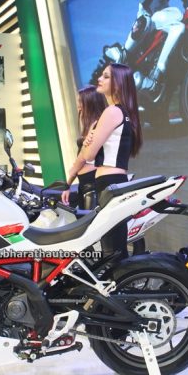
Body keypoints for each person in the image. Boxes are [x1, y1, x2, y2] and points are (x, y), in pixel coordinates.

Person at [64, 63, 143, 259]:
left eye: (106, 76)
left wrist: (89, 139)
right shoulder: (122, 112)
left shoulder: (112, 112)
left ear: (118, 83)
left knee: (112, 248)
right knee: (114, 243)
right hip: (112, 181)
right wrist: (90, 138)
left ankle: (122, 278)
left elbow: (89, 155)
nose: (99, 79)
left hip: (109, 182)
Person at [61, 85, 107, 210]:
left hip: (93, 186)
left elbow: (82, 158)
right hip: (84, 185)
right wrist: (67, 185)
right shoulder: (90, 125)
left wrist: (69, 181)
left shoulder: (99, 125)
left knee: (90, 222)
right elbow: (80, 159)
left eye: (81, 102)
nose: (78, 106)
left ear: (90, 103)